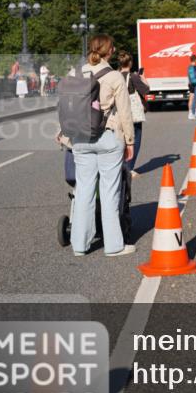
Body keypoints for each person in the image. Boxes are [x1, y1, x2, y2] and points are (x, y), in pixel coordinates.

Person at [64, 34, 136, 257]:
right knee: (109, 192)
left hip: (80, 138)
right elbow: (125, 112)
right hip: (108, 136)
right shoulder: (114, 76)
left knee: (83, 191)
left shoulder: (74, 74)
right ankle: (114, 245)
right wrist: (130, 141)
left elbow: (65, 107)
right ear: (110, 51)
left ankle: (79, 245)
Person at [117, 51, 150, 178]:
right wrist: (143, 78)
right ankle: (129, 167)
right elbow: (146, 90)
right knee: (135, 139)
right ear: (130, 63)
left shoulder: (116, 76)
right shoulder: (133, 77)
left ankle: (120, 165)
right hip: (133, 113)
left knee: (122, 139)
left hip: (119, 110)